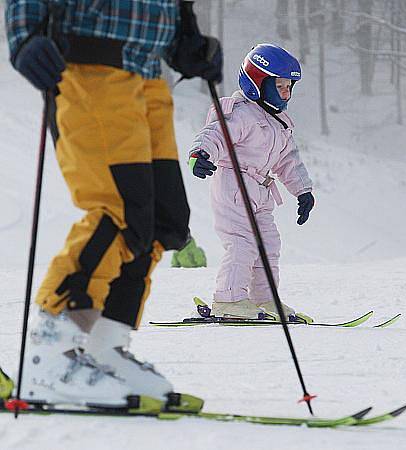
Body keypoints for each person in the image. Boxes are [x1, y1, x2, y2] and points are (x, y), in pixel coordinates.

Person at [4, 0, 222, 407]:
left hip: (148, 74)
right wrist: (24, 36)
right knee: (118, 208)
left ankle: (104, 346)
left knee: (163, 220)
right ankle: (49, 353)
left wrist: (184, 38)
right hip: (89, 64)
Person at [189, 44, 314, 320]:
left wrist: (303, 191)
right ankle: (229, 300)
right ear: (258, 83)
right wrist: (200, 153)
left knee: (269, 244)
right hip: (233, 185)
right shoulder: (240, 113)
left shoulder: (279, 123)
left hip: (261, 190)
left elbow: (288, 160)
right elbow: (216, 134)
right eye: (280, 86)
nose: (286, 93)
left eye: (289, 87)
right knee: (242, 243)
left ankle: (264, 299)